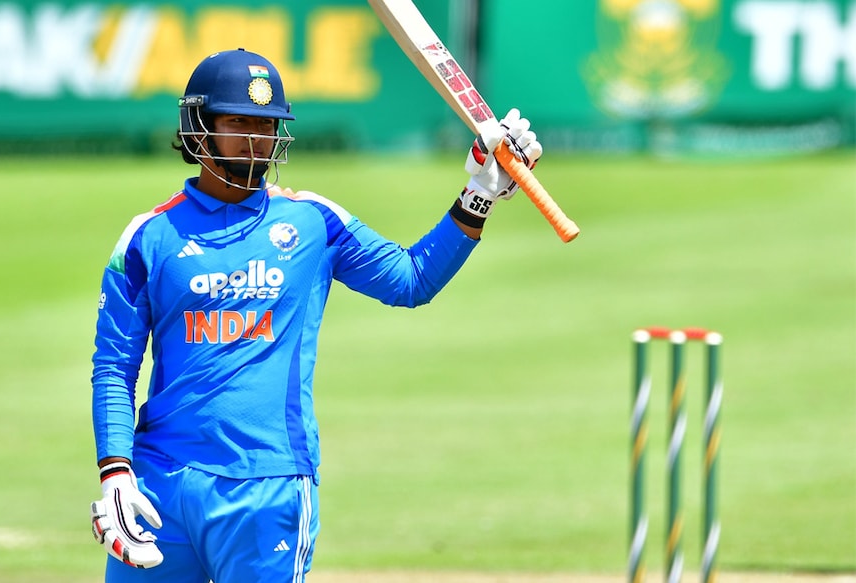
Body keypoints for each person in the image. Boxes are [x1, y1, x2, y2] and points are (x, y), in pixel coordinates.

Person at [88, 48, 542, 582]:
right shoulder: (148, 237)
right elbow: (114, 369)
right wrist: (116, 472)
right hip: (161, 484)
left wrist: (479, 194)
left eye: (266, 124)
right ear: (198, 127)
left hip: (270, 485)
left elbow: (411, 280)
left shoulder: (312, 220)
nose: (256, 138)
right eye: (238, 122)